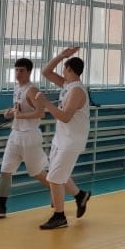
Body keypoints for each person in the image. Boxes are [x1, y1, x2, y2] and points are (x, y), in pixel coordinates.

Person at [0, 58, 49, 218]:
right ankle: (1, 207)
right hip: (15, 134)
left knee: (37, 173)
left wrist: (21, 116)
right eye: (16, 70)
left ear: (29, 72)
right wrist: (11, 113)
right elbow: (19, 110)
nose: (18, 73)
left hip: (29, 136)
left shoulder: (32, 90)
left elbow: (41, 113)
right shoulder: (17, 88)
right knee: (5, 169)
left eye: (21, 70)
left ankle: (66, 192)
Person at [34, 47, 91, 230]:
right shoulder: (67, 85)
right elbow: (46, 72)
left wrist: (46, 103)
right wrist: (61, 56)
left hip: (72, 141)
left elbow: (65, 117)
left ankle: (59, 217)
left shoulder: (77, 91)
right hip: (61, 138)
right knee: (59, 174)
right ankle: (80, 196)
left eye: (64, 68)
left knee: (54, 178)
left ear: (69, 69)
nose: (62, 72)